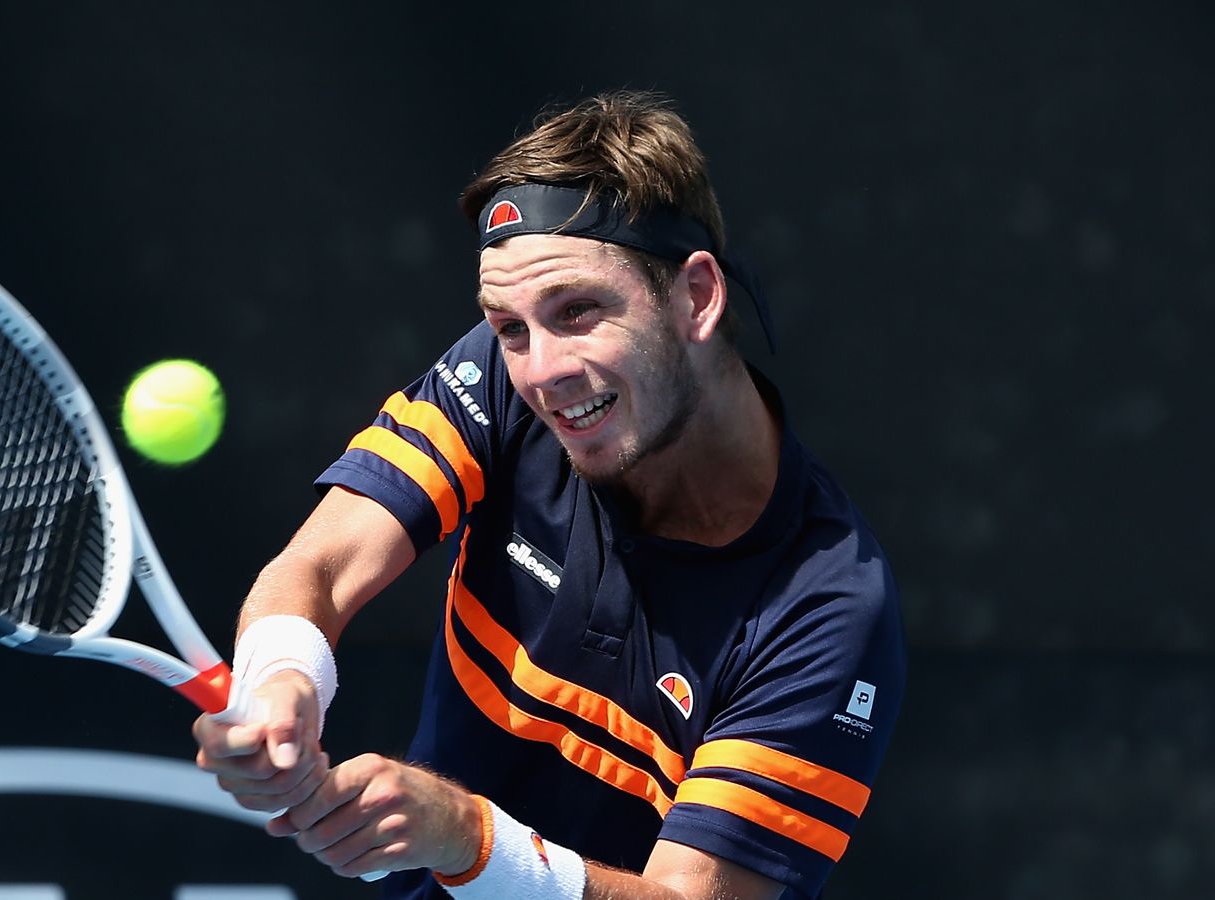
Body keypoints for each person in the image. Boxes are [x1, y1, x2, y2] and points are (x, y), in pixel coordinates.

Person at [192, 90, 905, 900]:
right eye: (510, 326)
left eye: (580, 311)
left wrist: (470, 839)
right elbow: (320, 567)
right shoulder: (502, 380)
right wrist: (283, 680)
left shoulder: (827, 609)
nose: (541, 372)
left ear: (697, 297)